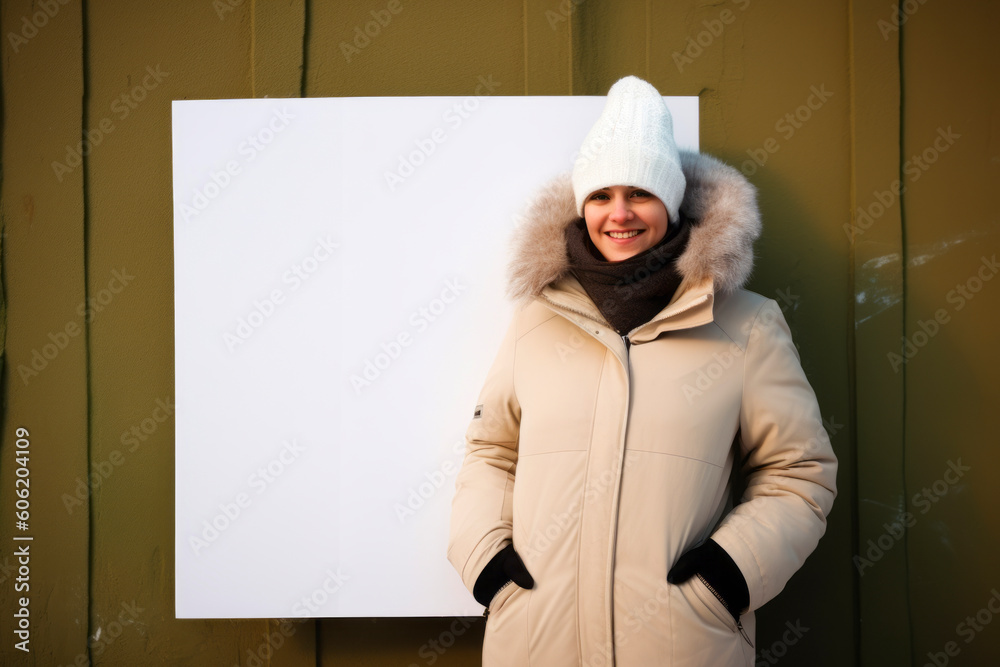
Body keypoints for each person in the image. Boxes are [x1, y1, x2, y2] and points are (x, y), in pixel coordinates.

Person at [447, 75, 838, 666]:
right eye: (601, 195)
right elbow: (491, 452)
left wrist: (726, 578)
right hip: (537, 642)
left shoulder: (747, 325)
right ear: (583, 206)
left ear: (671, 203)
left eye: (641, 193)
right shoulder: (537, 319)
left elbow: (798, 473)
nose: (619, 213)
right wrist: (487, 564)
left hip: (681, 644)